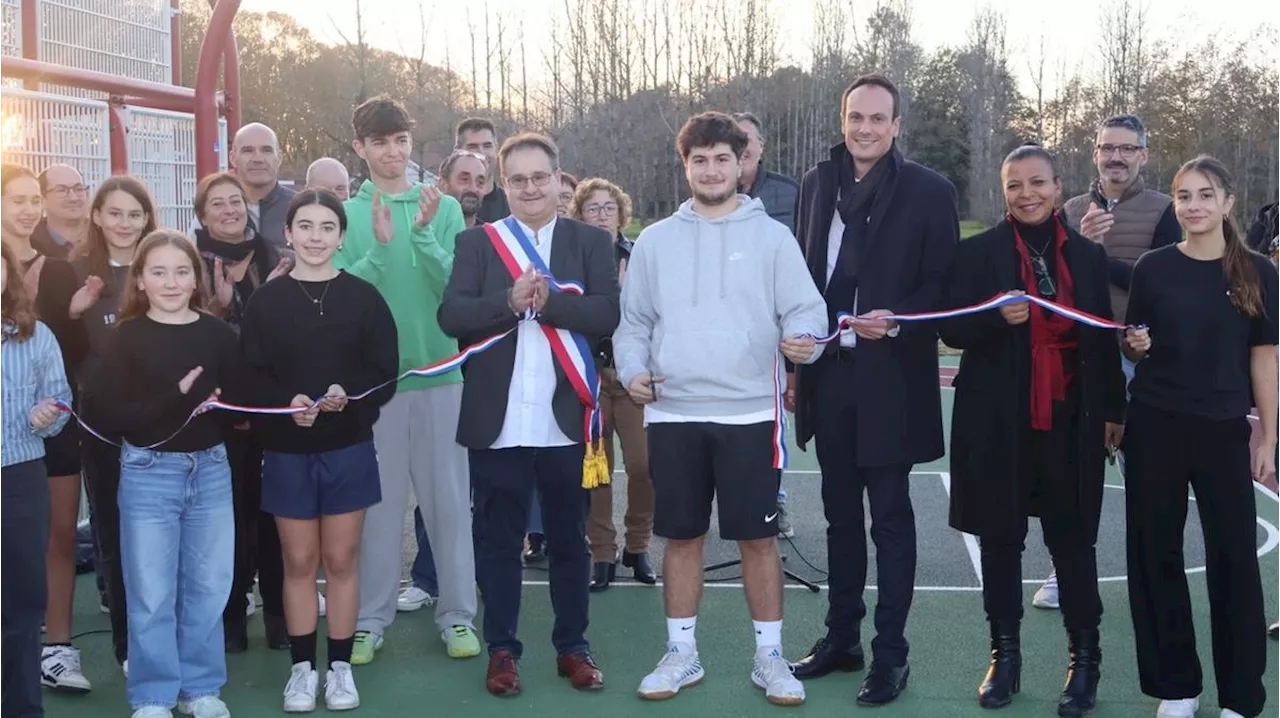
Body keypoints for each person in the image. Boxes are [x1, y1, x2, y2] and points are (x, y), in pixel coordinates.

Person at [613, 112, 826, 706]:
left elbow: (808, 311)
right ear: (686, 166)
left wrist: (804, 337)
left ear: (741, 165)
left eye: (722, 159)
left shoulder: (772, 238)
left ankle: (770, 657)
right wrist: (633, 372)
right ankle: (682, 653)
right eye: (699, 160)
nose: (711, 169)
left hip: (750, 415)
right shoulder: (656, 240)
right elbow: (634, 327)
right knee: (681, 538)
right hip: (674, 415)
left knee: (758, 541)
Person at [786, 74, 959, 707]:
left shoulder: (929, 191)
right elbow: (804, 276)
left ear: (895, 125)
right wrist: (795, 349)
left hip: (890, 378)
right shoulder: (816, 184)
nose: (865, 128)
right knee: (838, 517)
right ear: (843, 120)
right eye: (855, 116)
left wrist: (900, 319)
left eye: (877, 118)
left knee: (889, 517)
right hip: (829, 375)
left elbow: (945, 283)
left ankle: (891, 655)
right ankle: (842, 639)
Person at [938, 144, 1125, 715]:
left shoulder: (1089, 258)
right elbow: (950, 330)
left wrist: (1114, 409)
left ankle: (1084, 663)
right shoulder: (979, 253)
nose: (1027, 194)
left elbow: (1102, 337)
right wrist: (993, 316)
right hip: (998, 422)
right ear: (1004, 191)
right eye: (1015, 184)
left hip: (1072, 419)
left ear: (1057, 184)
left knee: (1073, 544)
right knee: (1000, 542)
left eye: (1037, 182)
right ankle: (1005, 658)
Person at [438, 131, 618, 697]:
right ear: (503, 184)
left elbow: (606, 314)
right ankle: (502, 651)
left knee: (570, 540)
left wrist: (549, 302)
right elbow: (452, 316)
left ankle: (573, 647)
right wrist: (508, 303)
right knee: (498, 542)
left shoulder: (589, 241)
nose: (531, 188)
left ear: (557, 180)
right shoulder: (477, 243)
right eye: (518, 179)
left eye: (540, 177)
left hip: (568, 421)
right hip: (499, 421)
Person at [1122, 155, 1278, 718]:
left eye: (1205, 195)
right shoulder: (1154, 268)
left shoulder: (1258, 271)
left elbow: (1265, 358)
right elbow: (1134, 341)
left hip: (1222, 431)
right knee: (1154, 555)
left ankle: (1240, 696)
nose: (1194, 206)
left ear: (1228, 202)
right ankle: (1177, 688)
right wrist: (1133, 347)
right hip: (1155, 427)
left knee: (1234, 559)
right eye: (1184, 196)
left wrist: (1267, 438)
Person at [240, 189, 399, 712]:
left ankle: (341, 670)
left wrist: (345, 398)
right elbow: (252, 376)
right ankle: (303, 670)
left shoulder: (363, 298)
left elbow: (382, 374)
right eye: (304, 226)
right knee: (299, 560)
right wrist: (287, 403)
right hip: (286, 451)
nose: (315, 237)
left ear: (340, 236)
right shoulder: (266, 301)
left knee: (342, 558)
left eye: (326, 227)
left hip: (347, 446)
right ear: (288, 234)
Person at [334, 95, 478, 665]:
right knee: (379, 510)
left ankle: (458, 615)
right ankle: (370, 619)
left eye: (401, 141)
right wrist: (381, 248)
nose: (393, 153)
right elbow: (341, 299)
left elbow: (455, 293)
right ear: (360, 148)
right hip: (376, 391)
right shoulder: (346, 215)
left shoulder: (440, 208)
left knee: (449, 506)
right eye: (381, 142)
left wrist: (420, 236)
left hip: (441, 377)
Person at [89, 230, 245, 718]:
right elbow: (113, 414)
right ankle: (154, 694)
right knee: (152, 590)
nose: (171, 282)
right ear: (140, 279)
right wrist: (179, 396)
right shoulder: (123, 339)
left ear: (196, 278)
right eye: (158, 271)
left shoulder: (219, 334)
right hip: (148, 473)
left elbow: (240, 404)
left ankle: (199, 688)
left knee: (208, 585)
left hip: (212, 471)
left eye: (182, 271)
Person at [1035, 113, 1181, 610]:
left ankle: (1154, 574)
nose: (1116, 157)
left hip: (1141, 361)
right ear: (1095, 153)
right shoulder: (1071, 208)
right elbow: (1047, 281)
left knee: (1149, 473)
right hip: (1081, 358)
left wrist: (1095, 256)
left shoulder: (1165, 209)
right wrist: (1080, 245)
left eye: (1127, 149)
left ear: (1143, 154)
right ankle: (1067, 570)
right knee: (1076, 471)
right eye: (1107, 148)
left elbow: (1162, 280)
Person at [0, 163, 92, 693]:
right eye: (17, 199)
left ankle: (56, 648)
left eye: (34, 199)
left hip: (47, 424)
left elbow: (71, 359)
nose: (28, 208)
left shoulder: (57, 269)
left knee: (56, 534)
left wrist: (72, 314)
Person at [195, 171, 294, 651]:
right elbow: (188, 335)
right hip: (215, 410)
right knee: (227, 517)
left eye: (236, 201)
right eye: (218, 203)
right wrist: (216, 309)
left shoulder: (276, 258)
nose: (230, 209)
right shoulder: (190, 261)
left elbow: (285, 333)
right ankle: (231, 615)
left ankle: (277, 613)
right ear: (203, 213)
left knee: (274, 513)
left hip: (271, 405)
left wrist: (266, 300)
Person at [69, 176, 159, 677]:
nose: (125, 223)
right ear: (97, 217)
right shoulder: (77, 272)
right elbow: (60, 352)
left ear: (148, 219)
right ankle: (129, 646)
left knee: (163, 538)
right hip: (102, 430)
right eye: (116, 213)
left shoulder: (163, 267)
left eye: (135, 214)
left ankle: (171, 639)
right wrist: (72, 313)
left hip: (164, 428)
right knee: (115, 534)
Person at [565, 177, 655, 592]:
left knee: (643, 468)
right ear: (579, 216)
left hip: (633, 381)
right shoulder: (571, 261)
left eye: (608, 208)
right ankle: (602, 552)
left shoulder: (641, 258)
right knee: (595, 471)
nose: (601, 216)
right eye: (592, 209)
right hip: (590, 382)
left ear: (621, 214)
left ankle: (637, 546)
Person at [0, 239, 73, 718]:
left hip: (20, 477)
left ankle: (22, 708)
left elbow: (61, 401)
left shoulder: (37, 337)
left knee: (21, 604)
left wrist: (48, 415)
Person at [735, 110, 802, 539]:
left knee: (773, 420)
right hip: (726, 327)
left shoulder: (790, 193)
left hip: (776, 326)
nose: (740, 146)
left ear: (761, 145)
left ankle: (773, 503)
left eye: (747, 139)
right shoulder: (707, 193)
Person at [456, 118, 511, 222]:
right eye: (472, 147)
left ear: (496, 149)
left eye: (487, 146)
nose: (481, 153)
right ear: (457, 152)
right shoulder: (443, 204)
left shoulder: (513, 205)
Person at [31, 164, 90, 259]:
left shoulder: (105, 238)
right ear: (42, 199)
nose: (73, 198)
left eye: (78, 189)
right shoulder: (29, 244)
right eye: (61, 190)